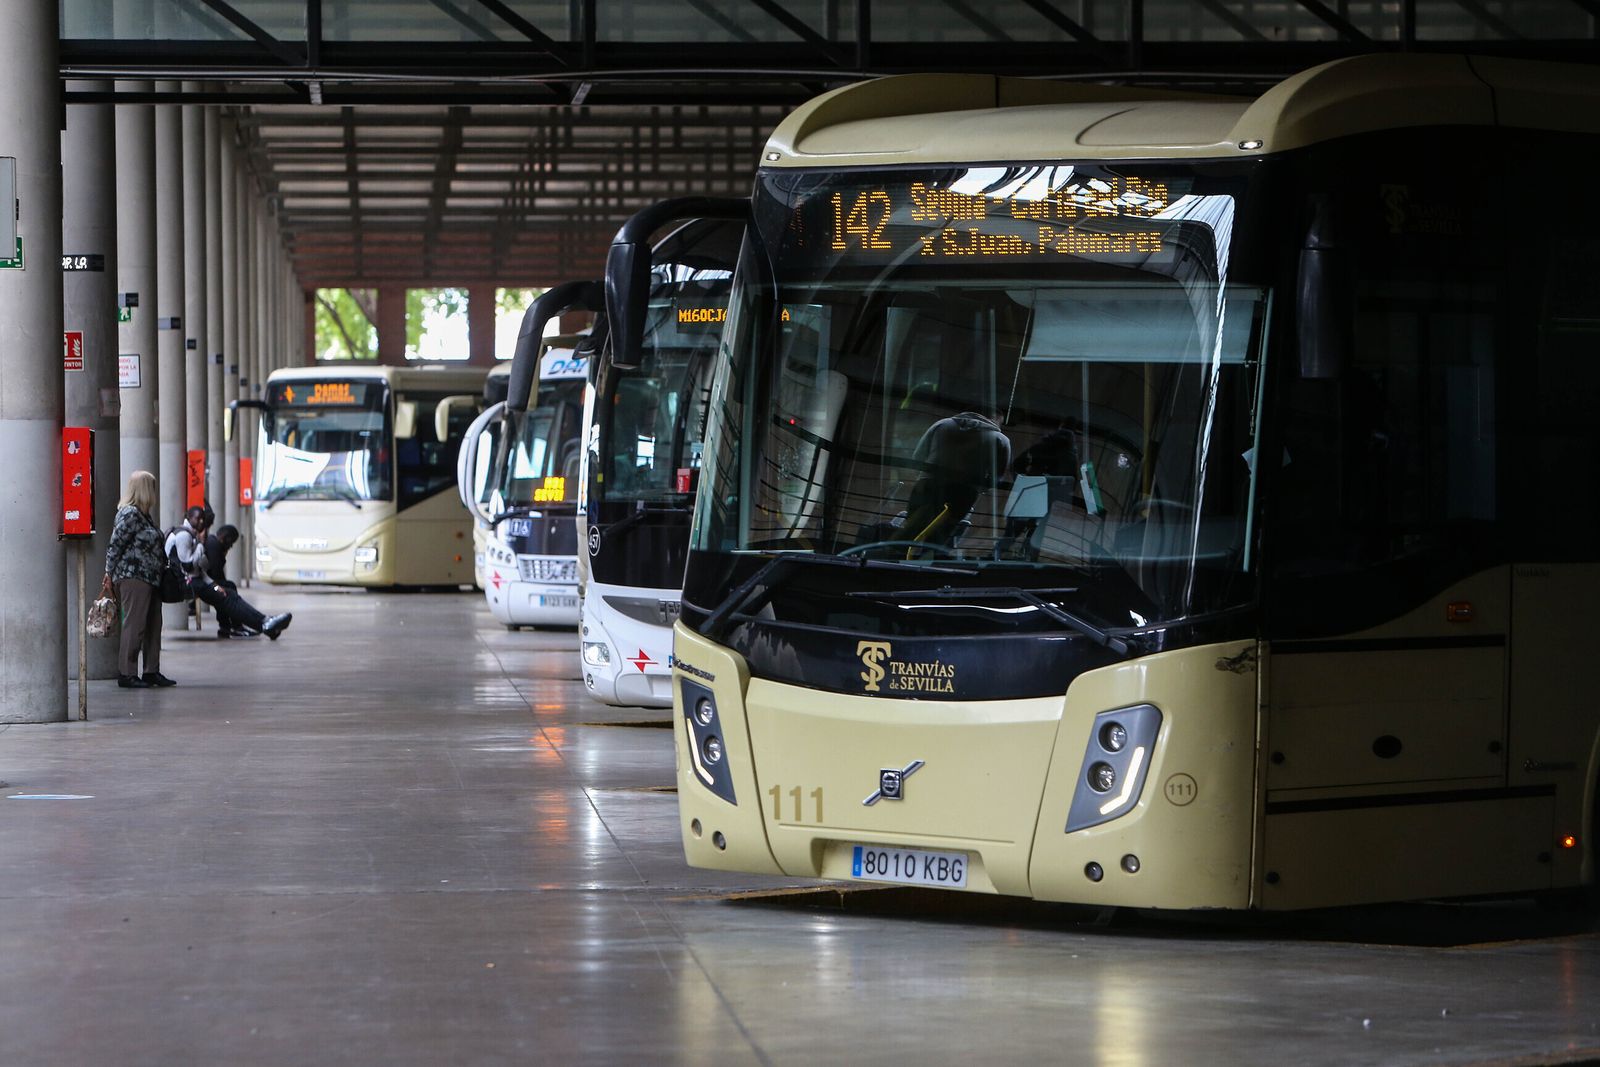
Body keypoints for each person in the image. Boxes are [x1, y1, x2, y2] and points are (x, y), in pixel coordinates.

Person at [167, 510, 291, 641]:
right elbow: (188, 566)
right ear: (189, 517)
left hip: (195, 581)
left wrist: (215, 586)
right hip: (185, 583)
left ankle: (265, 623)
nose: (201, 522)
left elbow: (198, 571)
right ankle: (263, 623)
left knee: (226, 592)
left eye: (202, 519)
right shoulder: (183, 535)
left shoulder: (191, 535)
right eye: (198, 519)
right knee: (225, 596)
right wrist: (200, 545)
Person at [102, 470, 175, 688]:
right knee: (134, 625)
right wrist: (108, 572)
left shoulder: (144, 515)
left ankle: (151, 670)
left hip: (151, 578)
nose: (154, 492)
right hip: (134, 577)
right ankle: (127, 672)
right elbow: (115, 545)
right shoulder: (130, 514)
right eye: (152, 487)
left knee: (153, 624)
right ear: (144, 490)